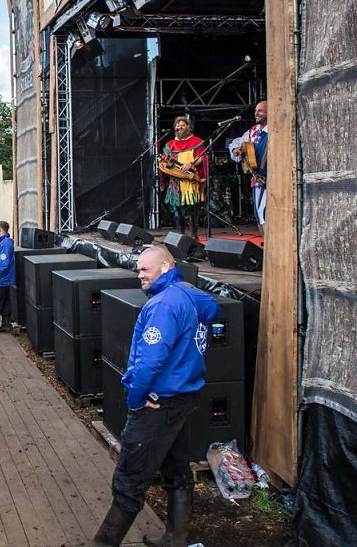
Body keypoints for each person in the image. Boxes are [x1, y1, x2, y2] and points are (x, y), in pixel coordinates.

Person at [91, 245, 220, 547]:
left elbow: (149, 362)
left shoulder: (162, 306)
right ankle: (176, 536)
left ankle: (104, 542)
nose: (140, 275)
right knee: (177, 468)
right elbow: (213, 309)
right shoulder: (189, 293)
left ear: (165, 266)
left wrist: (136, 399)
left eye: (145, 269)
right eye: (138, 269)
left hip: (158, 404)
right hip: (185, 398)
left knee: (130, 478)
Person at [160, 116, 207, 241]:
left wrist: (191, 164)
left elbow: (202, 157)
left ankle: (194, 236)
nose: (179, 127)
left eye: (182, 125)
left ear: (188, 127)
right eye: (177, 125)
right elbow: (165, 160)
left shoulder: (196, 142)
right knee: (177, 211)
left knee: (191, 210)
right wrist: (163, 162)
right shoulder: (170, 145)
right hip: (175, 182)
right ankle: (181, 237)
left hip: (190, 181)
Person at [228, 100, 268, 237]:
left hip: (273, 178)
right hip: (259, 179)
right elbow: (237, 143)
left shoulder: (275, 130)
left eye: (260, 111)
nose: (256, 113)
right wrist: (235, 150)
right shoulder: (253, 132)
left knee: (265, 212)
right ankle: (266, 247)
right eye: (256, 110)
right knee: (259, 213)